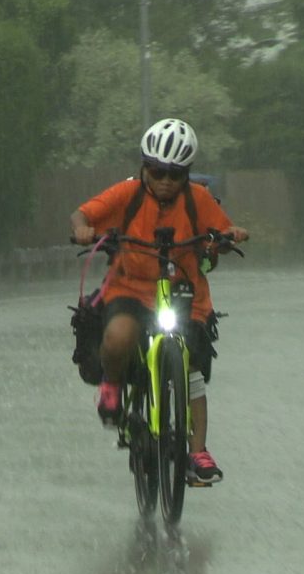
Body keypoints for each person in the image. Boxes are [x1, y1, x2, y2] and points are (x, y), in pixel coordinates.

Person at [70, 118, 249, 484]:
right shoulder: (128, 194)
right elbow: (84, 213)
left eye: (175, 173)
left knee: (193, 368)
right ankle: (113, 388)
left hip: (185, 294)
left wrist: (229, 235)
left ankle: (197, 452)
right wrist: (82, 229)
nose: (165, 180)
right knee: (118, 337)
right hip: (131, 288)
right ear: (144, 167)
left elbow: (221, 231)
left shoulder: (198, 200)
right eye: (157, 171)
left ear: (187, 173)